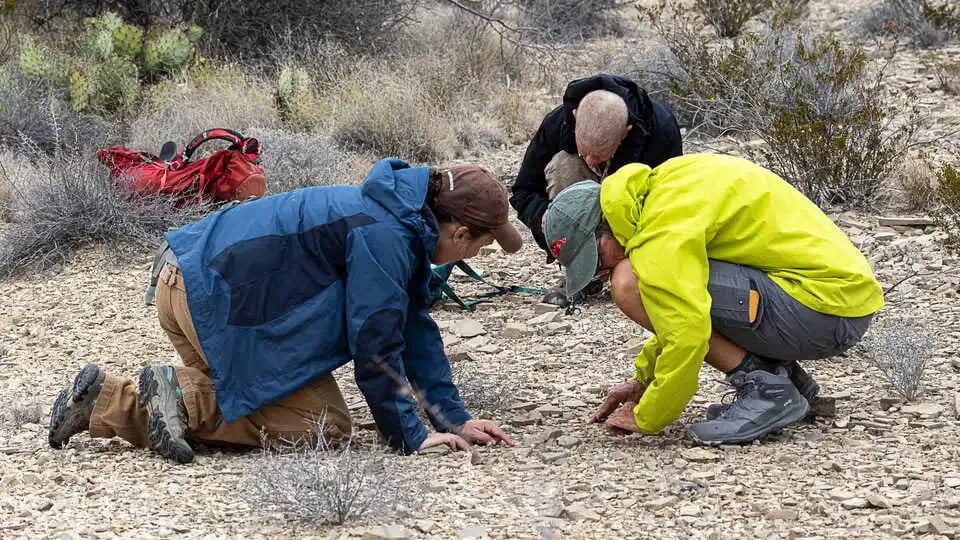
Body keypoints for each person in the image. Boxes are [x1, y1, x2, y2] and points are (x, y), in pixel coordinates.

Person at [48, 158, 520, 462]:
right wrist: (410, 437)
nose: (474, 256)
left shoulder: (391, 215)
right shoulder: (386, 236)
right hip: (212, 303)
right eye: (480, 246)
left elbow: (412, 327)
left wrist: (451, 418)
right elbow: (376, 344)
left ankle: (108, 398)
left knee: (241, 396)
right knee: (326, 426)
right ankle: (179, 391)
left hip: (179, 282)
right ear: (459, 234)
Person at [543, 153, 883, 445]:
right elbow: (678, 302)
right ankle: (783, 377)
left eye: (596, 258)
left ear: (605, 223)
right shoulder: (659, 190)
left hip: (822, 310)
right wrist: (644, 378)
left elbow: (687, 328)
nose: (599, 273)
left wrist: (649, 415)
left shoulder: (660, 230)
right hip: (831, 303)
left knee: (629, 282)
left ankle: (768, 390)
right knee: (654, 285)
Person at [509, 74, 683, 305]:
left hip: (633, 212)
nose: (590, 161)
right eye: (584, 150)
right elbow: (523, 191)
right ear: (575, 117)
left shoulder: (660, 128)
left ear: (625, 132)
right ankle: (583, 273)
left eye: (600, 154)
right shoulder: (557, 124)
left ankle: (635, 268)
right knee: (565, 164)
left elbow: (671, 200)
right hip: (580, 210)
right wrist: (546, 217)